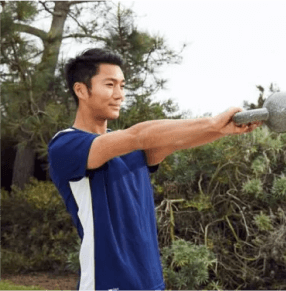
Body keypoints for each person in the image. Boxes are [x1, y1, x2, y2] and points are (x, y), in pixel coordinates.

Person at [48, 48, 261, 291]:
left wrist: (221, 130)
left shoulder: (126, 146)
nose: (120, 95)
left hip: (151, 283)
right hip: (107, 284)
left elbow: (175, 140)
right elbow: (138, 135)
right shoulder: (66, 145)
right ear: (81, 90)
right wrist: (212, 122)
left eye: (122, 85)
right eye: (110, 85)